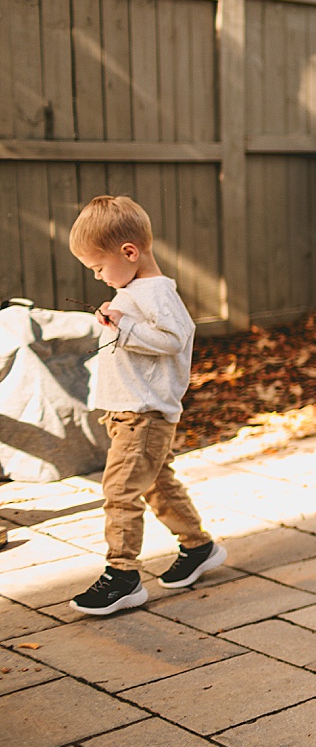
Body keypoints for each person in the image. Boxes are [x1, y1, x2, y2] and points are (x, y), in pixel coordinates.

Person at [67, 195, 226, 616]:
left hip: (143, 414)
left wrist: (126, 322)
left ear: (130, 252)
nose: (99, 276)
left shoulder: (154, 290)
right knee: (157, 484)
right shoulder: (136, 289)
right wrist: (115, 318)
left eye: (99, 267)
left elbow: (175, 337)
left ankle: (122, 575)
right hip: (128, 413)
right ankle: (199, 546)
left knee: (120, 491)